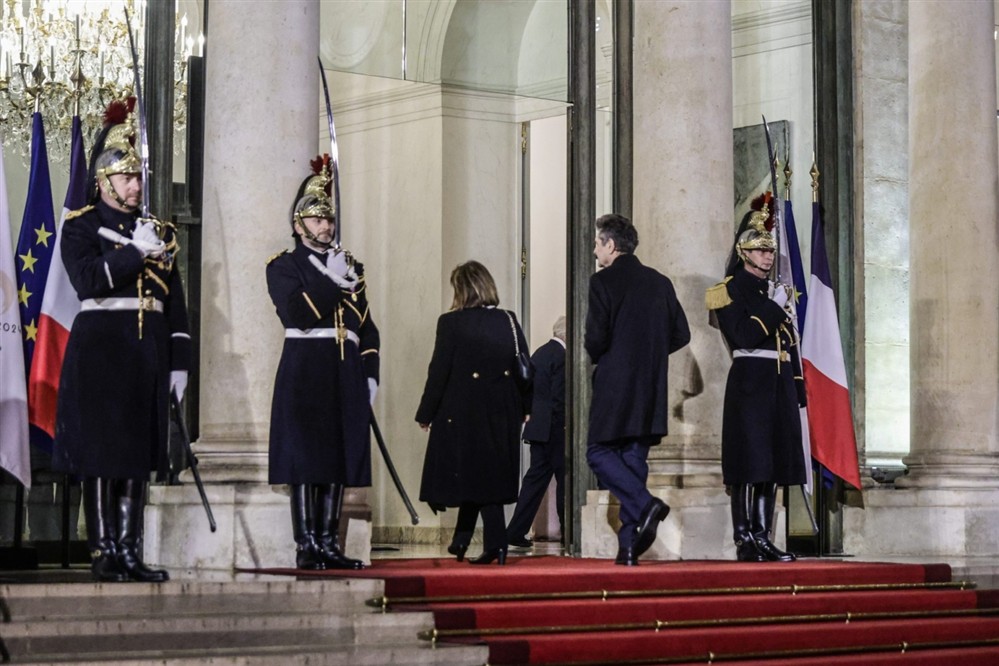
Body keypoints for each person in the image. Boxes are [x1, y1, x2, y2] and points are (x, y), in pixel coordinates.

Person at [52, 98, 191, 583]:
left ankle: (131, 550)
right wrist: (134, 252)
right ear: (104, 180)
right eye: (127, 178)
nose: (135, 186)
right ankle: (104, 551)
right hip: (101, 352)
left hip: (145, 352)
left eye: (138, 178)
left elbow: (174, 302)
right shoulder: (80, 227)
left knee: (136, 455)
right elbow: (89, 280)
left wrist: (179, 361)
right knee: (100, 456)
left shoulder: (157, 231)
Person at [266, 154, 380, 570]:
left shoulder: (352, 267)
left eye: (328, 220)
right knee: (304, 461)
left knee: (336, 459)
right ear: (298, 225)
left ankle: (330, 542)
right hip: (305, 369)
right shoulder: (283, 266)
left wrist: (370, 372)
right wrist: (332, 281)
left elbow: (367, 327)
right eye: (316, 220)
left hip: (344, 369)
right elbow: (297, 313)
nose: (325, 226)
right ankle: (306, 543)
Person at [585, 213, 690, 566]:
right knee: (633, 458)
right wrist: (651, 354)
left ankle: (647, 505)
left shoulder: (602, 282)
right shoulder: (659, 282)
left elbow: (595, 339)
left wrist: (612, 355)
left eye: (598, 243)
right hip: (650, 384)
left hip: (615, 383)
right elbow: (682, 334)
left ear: (610, 245)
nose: (596, 251)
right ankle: (628, 549)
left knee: (598, 452)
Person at [706, 193, 806, 563]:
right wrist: (774, 306)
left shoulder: (771, 291)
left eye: (770, 251)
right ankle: (745, 537)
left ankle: (764, 536)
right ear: (744, 251)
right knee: (749, 464)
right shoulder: (728, 290)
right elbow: (745, 335)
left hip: (777, 381)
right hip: (750, 382)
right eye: (760, 250)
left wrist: (797, 387)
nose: (767, 256)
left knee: (772, 464)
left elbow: (788, 342)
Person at [416, 261, 531, 565]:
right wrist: (527, 407)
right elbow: (524, 366)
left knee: (476, 475)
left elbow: (438, 372)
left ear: (461, 290)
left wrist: (426, 412)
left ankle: (496, 542)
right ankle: (462, 538)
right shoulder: (508, 319)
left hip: (465, 411)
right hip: (505, 408)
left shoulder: (451, 323)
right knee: (483, 473)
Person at [507, 315, 566, 549]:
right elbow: (560, 399)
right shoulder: (562, 357)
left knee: (533, 483)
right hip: (555, 430)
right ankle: (569, 531)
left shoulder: (540, 353)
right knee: (565, 480)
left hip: (537, 429)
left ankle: (515, 531)